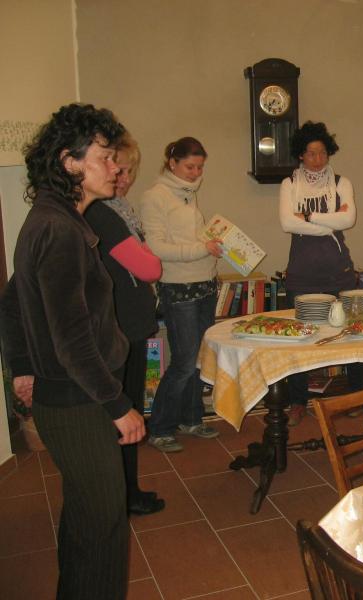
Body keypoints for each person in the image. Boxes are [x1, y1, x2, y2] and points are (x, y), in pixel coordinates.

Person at [0, 103, 144, 599]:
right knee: (104, 524)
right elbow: (73, 340)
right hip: (79, 402)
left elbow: (11, 303)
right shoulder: (59, 229)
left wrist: (22, 367)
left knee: (87, 515)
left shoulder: (53, 218)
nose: (116, 167)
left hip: (70, 396)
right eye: (105, 157)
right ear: (70, 162)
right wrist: (118, 404)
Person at [84, 133, 165, 514]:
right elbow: (149, 268)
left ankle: (130, 489)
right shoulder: (104, 214)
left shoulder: (117, 210)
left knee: (130, 408)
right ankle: (123, 495)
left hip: (131, 323)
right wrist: (147, 252)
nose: (125, 177)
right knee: (124, 413)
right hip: (122, 327)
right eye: (119, 168)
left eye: (130, 170)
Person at [139, 137, 222, 452]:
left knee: (200, 359)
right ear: (172, 163)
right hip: (179, 287)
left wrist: (214, 242)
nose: (196, 173)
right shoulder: (155, 196)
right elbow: (156, 247)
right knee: (184, 362)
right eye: (190, 166)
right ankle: (160, 427)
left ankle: (191, 418)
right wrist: (202, 248)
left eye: (200, 167)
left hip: (205, 283)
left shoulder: (189, 193)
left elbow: (189, 237)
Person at [279, 121, 357, 425]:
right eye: (311, 153)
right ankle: (298, 402)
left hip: (339, 272)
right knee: (300, 340)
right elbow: (288, 223)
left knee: (349, 335)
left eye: (322, 153)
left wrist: (309, 216)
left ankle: (355, 398)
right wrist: (329, 222)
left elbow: (348, 220)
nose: (318, 159)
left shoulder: (340, 182)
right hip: (302, 275)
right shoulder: (289, 184)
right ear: (301, 154)